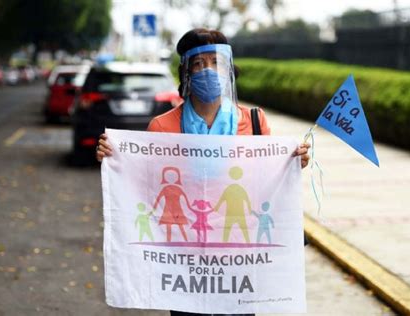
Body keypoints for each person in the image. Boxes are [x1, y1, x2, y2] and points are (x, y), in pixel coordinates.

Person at [96, 28, 310, 316]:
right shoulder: (162, 127)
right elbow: (143, 188)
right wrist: (114, 159)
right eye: (198, 64)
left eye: (215, 62)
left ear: (228, 68)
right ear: (186, 72)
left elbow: (267, 181)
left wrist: (293, 162)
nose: (207, 70)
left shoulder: (256, 122)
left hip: (238, 264)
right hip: (184, 265)